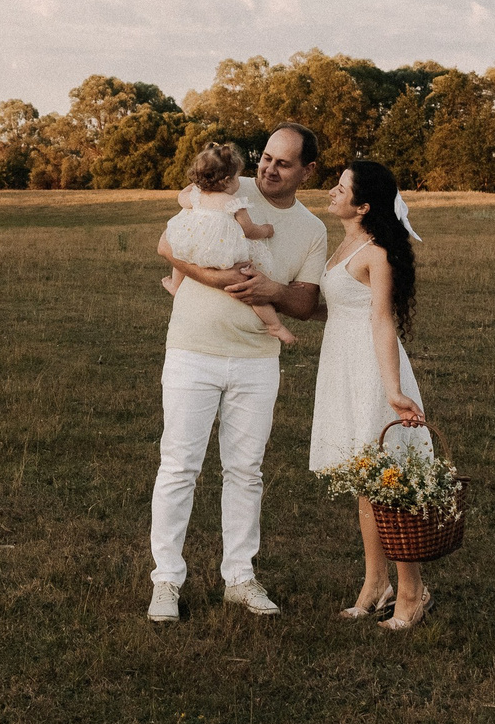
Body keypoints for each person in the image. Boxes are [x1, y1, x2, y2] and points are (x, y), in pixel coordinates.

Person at [147, 124, 329, 622]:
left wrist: (269, 289)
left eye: (284, 163)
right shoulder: (229, 185)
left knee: (246, 472)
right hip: (192, 350)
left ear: (307, 171)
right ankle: (165, 581)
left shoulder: (313, 229)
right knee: (179, 467)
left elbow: (306, 300)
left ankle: (240, 578)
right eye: (266, 157)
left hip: (255, 362)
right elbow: (168, 243)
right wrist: (221, 278)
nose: (269, 168)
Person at [310, 158, 434, 631]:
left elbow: (381, 320)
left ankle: (411, 591)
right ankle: (374, 583)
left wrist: (394, 391)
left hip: (371, 368)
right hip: (340, 364)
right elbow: (339, 307)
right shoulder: (345, 241)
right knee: (364, 484)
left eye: (341, 189)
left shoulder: (377, 252)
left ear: (363, 205)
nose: (332, 193)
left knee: (388, 483)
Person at [158, 142, 292, 346]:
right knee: (248, 283)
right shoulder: (234, 202)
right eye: (238, 176)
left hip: (198, 249)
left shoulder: (197, 197)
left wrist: (196, 184)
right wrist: (266, 229)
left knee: (181, 251)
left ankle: (176, 285)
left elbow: (180, 197)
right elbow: (249, 230)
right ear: (228, 180)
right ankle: (273, 325)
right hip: (223, 253)